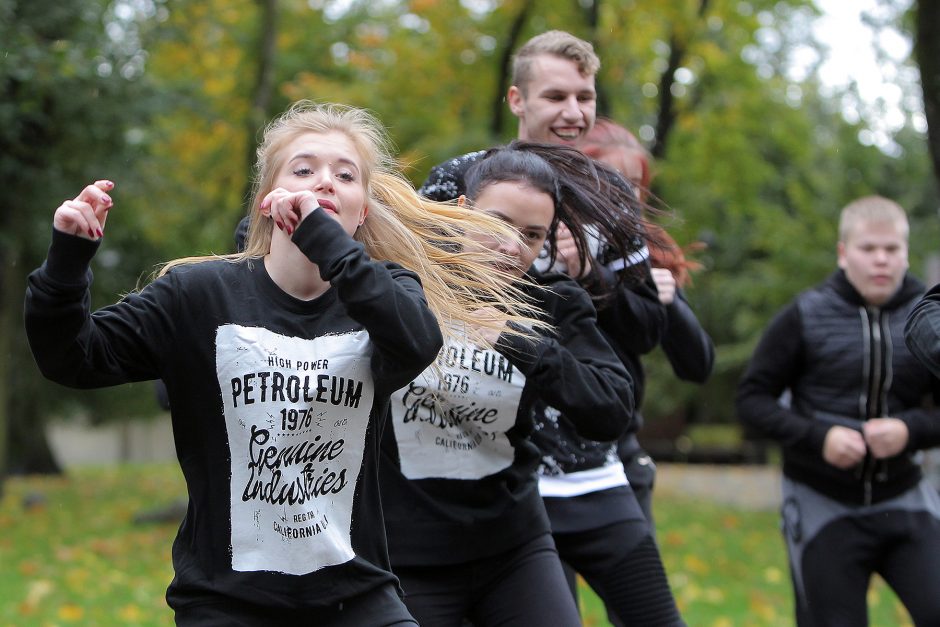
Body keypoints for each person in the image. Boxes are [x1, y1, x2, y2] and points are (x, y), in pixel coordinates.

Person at [24, 101, 541, 626]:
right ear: (268, 198)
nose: (325, 183)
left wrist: (326, 243)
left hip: (357, 598)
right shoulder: (197, 294)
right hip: (228, 604)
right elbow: (73, 359)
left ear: (362, 209)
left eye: (346, 175)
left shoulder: (389, 294)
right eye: (303, 169)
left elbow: (414, 343)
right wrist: (68, 261)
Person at [419, 31, 685, 625]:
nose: (574, 113)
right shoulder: (459, 181)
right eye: (555, 95)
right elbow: (411, 296)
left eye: (585, 97)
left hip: (593, 456)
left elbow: (643, 332)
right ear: (517, 99)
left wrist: (589, 273)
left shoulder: (610, 193)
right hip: (495, 466)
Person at [380, 141, 649, 626]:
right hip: (406, 554)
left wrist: (518, 342)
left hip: (512, 545)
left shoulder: (551, 303)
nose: (511, 247)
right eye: (498, 223)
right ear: (463, 211)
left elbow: (611, 407)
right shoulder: (402, 285)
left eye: (532, 234)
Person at [736, 196, 940, 626]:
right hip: (822, 502)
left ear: (906, 250)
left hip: (906, 497)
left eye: (892, 249)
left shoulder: (929, 318)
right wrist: (819, 437)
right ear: (843, 253)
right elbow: (752, 401)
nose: (881, 260)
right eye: (868, 249)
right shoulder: (804, 314)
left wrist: (910, 430)